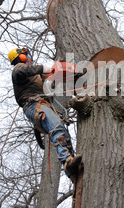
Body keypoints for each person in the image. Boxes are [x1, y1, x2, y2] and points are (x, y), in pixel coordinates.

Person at [8, 46, 82, 177]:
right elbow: (23, 71)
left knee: (62, 131)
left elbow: (48, 86)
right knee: (57, 128)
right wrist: (43, 68)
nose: (30, 59)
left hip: (42, 104)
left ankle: (70, 164)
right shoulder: (19, 68)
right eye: (28, 56)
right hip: (34, 104)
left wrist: (57, 75)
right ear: (23, 57)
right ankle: (67, 160)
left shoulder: (35, 77)